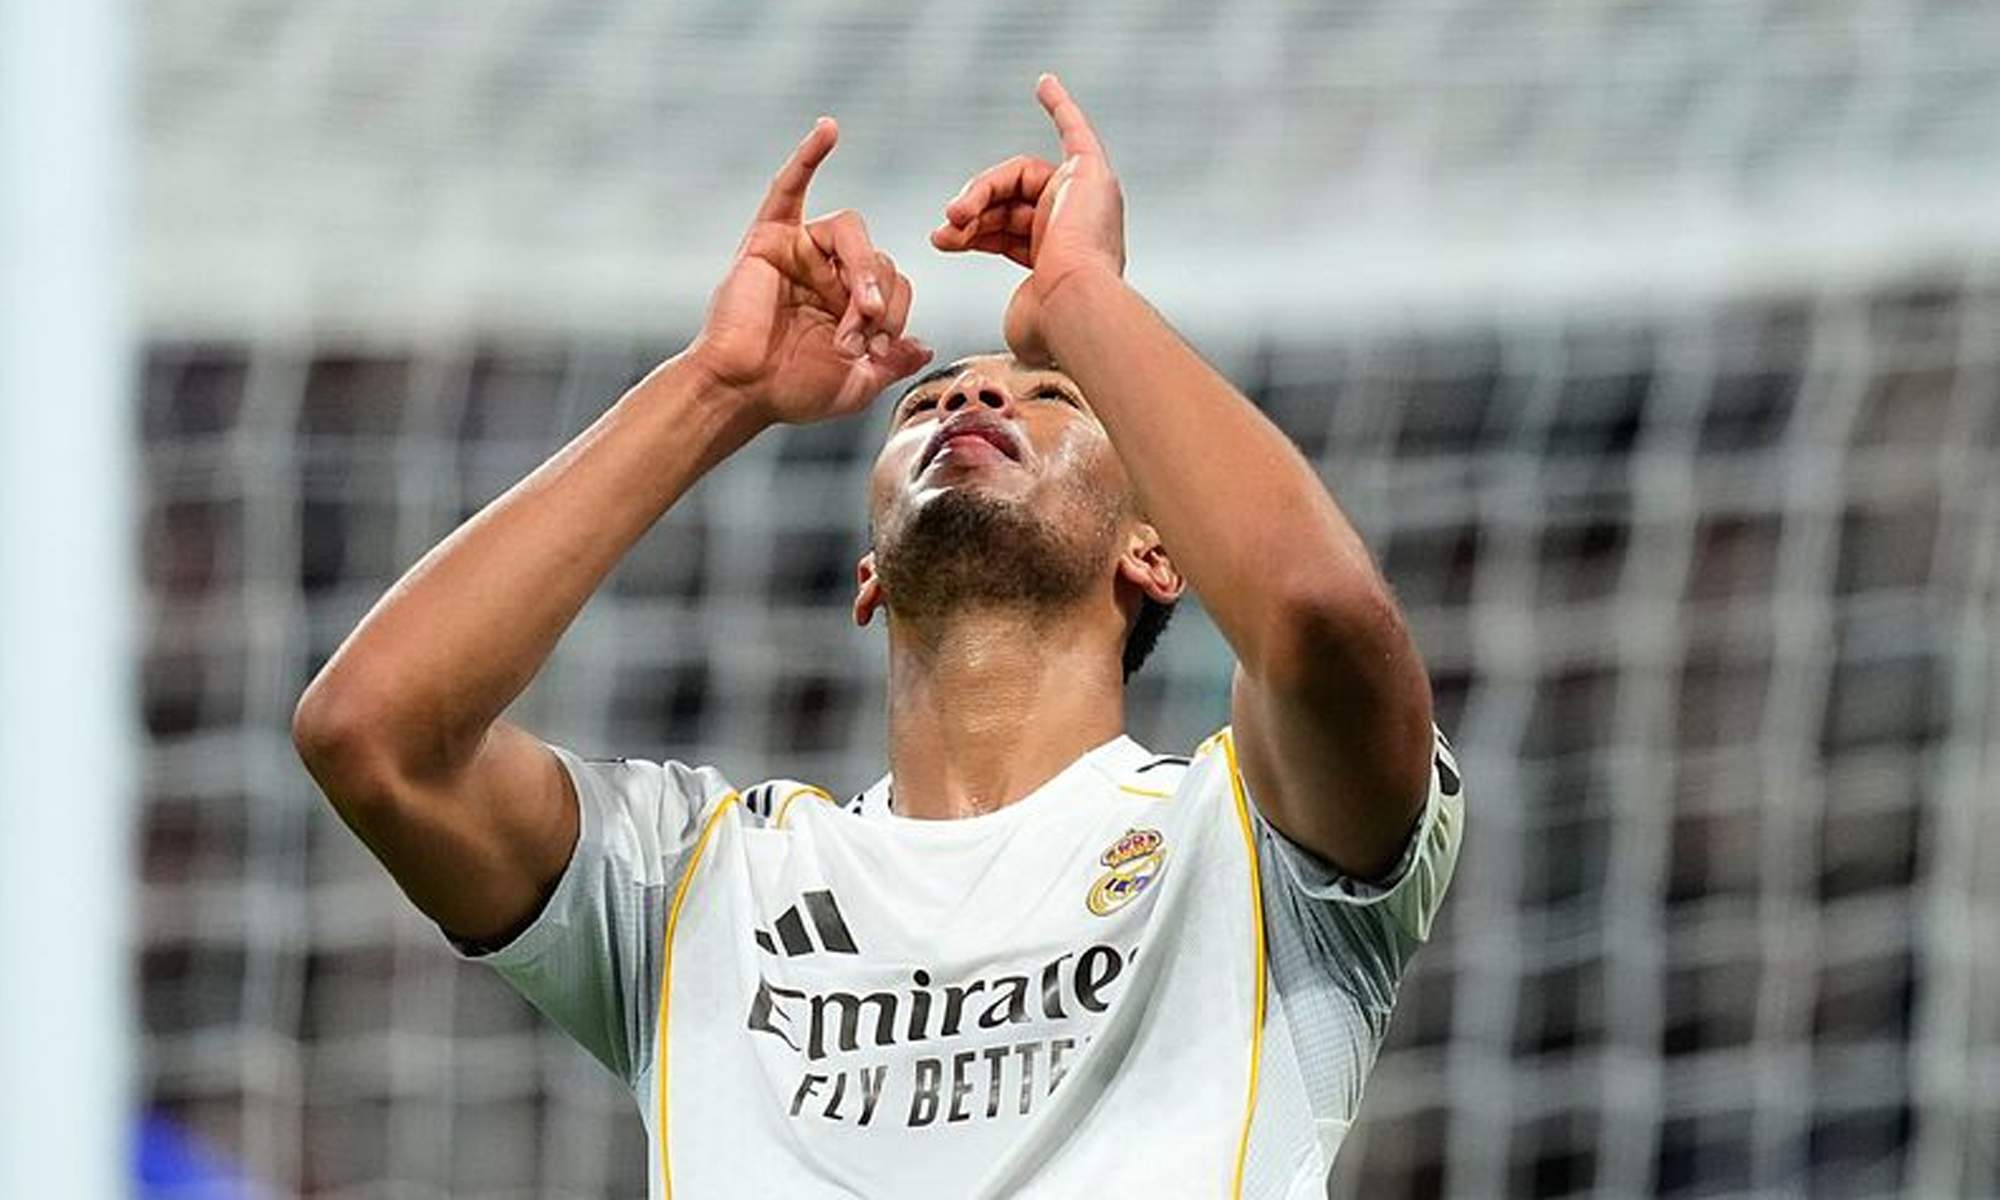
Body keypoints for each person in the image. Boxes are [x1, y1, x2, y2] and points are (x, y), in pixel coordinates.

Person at [293, 74, 1463, 1199]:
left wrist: (1081, 299)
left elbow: (1317, 618)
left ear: (1156, 555)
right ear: (869, 577)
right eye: (923, 403)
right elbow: (373, 733)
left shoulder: (1250, 839)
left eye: (1044, 400)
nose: (968, 400)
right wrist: (717, 386)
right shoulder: (696, 883)